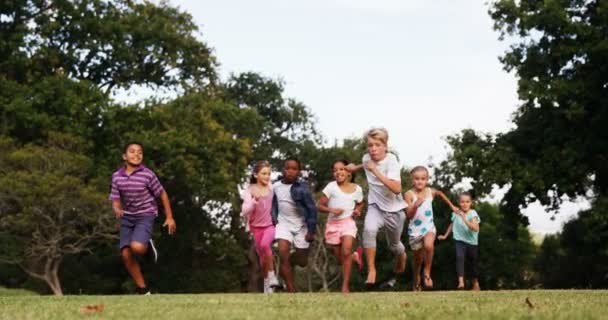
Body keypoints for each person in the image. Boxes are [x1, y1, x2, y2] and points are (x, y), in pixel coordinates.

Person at [109, 142, 176, 295]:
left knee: (137, 247)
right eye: (132, 152)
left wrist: (170, 217)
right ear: (124, 156)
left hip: (146, 214)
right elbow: (115, 199)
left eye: (140, 152)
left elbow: (162, 194)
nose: (136, 154)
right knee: (126, 254)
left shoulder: (147, 174)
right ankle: (142, 289)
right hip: (127, 217)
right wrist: (117, 208)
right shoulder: (116, 177)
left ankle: (147, 245)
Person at [346, 128, 407, 290]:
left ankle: (402, 253)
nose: (373, 149)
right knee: (369, 230)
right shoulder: (366, 158)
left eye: (377, 145)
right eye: (370, 145)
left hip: (394, 210)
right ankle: (371, 270)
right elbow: (366, 163)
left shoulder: (391, 161)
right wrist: (355, 168)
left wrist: (375, 171)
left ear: (385, 146)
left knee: (394, 246)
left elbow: (397, 188)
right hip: (375, 206)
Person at [404, 166, 459, 291]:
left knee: (429, 246)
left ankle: (427, 272)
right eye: (417, 179)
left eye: (423, 179)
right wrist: (415, 206)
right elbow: (409, 215)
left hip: (428, 226)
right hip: (415, 230)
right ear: (412, 180)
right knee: (417, 259)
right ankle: (416, 277)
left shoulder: (430, 191)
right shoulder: (408, 194)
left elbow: (440, 193)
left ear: (427, 179)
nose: (420, 181)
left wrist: (452, 206)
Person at [317, 160, 364, 293]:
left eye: (342, 169)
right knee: (340, 258)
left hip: (348, 223)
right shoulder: (331, 187)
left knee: (346, 250)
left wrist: (358, 210)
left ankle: (345, 287)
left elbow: (361, 203)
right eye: (335, 170)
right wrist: (332, 210)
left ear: (349, 172)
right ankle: (354, 256)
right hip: (333, 225)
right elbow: (319, 206)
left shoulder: (357, 189)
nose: (338, 172)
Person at [271, 158, 317, 292]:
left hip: (301, 226)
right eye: (288, 168)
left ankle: (290, 262)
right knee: (282, 253)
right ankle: (291, 289)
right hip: (283, 224)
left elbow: (311, 210)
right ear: (283, 170)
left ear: (298, 172)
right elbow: (270, 204)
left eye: (294, 169)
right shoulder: (275, 186)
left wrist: (311, 230)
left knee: (302, 262)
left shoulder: (303, 189)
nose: (290, 171)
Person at [241, 160, 280, 293]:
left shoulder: (272, 188)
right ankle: (267, 285)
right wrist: (254, 201)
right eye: (264, 173)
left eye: (269, 173)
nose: (267, 176)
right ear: (256, 175)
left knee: (265, 246)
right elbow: (244, 211)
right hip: (256, 228)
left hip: (270, 225)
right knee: (262, 260)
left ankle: (272, 276)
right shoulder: (250, 190)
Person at [438, 192, 481, 291]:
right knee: (459, 257)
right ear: (458, 203)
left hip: (472, 242)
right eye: (462, 202)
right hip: (459, 240)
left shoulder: (473, 213)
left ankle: (475, 283)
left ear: (471, 203)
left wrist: (464, 218)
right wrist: (445, 235)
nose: (465, 204)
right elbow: (452, 224)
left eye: (467, 202)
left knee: (472, 264)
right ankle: (461, 282)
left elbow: (476, 228)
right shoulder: (456, 213)